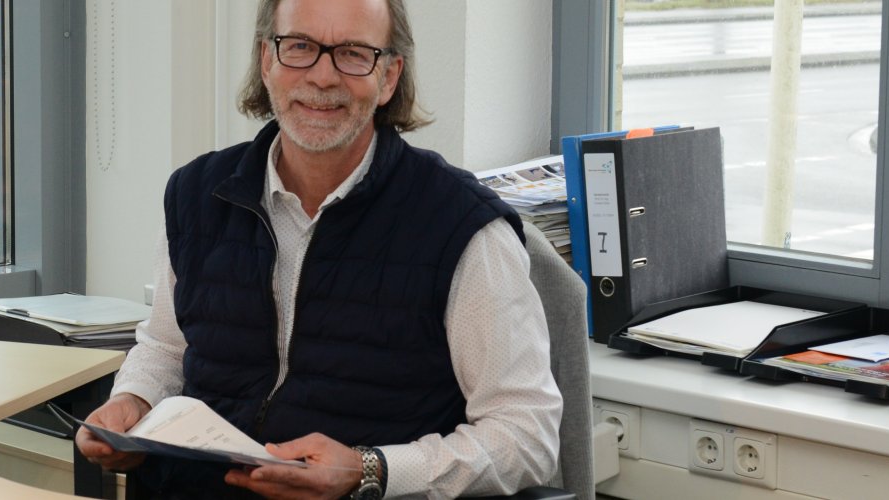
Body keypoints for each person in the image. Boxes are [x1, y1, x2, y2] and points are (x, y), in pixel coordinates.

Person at [74, 0, 563, 498]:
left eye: (353, 53)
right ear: (267, 60)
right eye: (300, 47)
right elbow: (167, 347)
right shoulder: (198, 194)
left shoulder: (462, 228)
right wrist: (133, 401)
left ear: (389, 77)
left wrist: (369, 471)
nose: (323, 76)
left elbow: (526, 436)